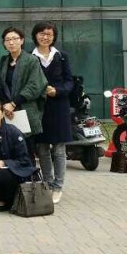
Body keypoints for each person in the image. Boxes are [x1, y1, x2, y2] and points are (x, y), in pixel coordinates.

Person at [32, 21, 73, 204]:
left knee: (59, 149)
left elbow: (69, 81)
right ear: (35, 35)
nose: (45, 37)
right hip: (39, 108)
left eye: (49, 34)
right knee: (42, 148)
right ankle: (47, 183)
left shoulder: (61, 56)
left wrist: (58, 91)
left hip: (59, 106)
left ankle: (58, 186)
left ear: (54, 37)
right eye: (42, 33)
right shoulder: (30, 57)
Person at [0, 26, 48, 160]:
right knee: (8, 146)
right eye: (7, 40)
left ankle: (29, 170)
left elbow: (35, 85)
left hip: (25, 109)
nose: (11, 42)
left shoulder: (31, 60)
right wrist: (5, 105)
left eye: (14, 39)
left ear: (22, 40)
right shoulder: (3, 61)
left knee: (26, 147)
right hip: (6, 110)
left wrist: (13, 103)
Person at [0, 98, 36, 211]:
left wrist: (3, 163)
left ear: (2, 114)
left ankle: (9, 200)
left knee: (3, 174)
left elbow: (25, 160)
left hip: (14, 172)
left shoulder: (13, 132)